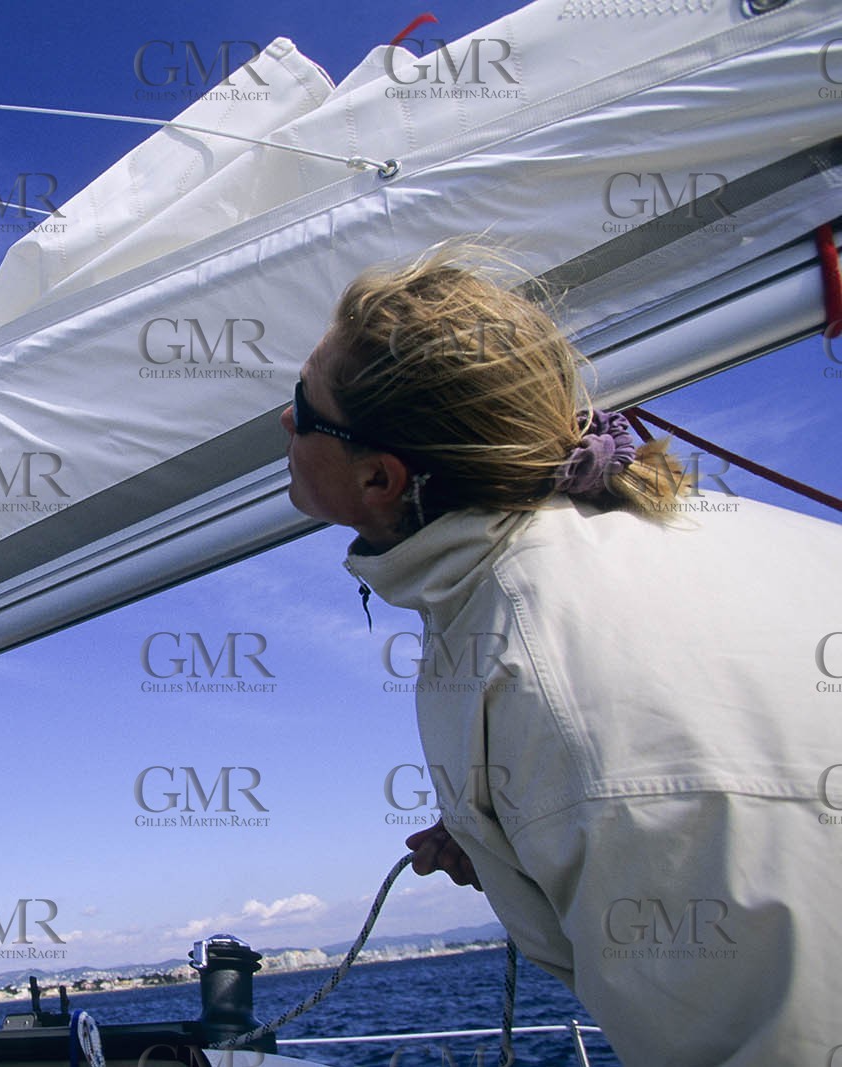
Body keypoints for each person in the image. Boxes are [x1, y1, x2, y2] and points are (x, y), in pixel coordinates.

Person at [282, 253, 842, 1066]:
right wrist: (513, 836)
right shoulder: (747, 536)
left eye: (302, 406)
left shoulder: (523, 656)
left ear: (379, 476)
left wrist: (537, 814)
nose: (284, 426)